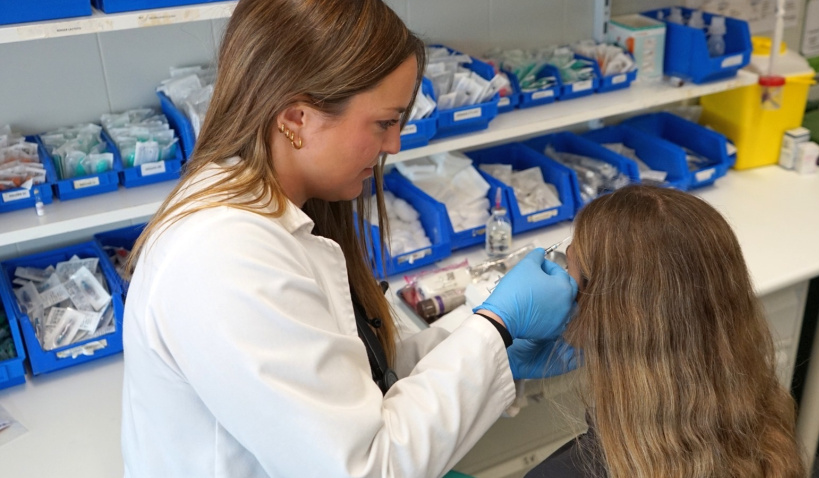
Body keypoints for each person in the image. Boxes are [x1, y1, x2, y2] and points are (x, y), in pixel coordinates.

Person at [120, 0, 578, 476]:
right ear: (296, 118)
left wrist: (500, 346)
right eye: (384, 122)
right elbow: (363, 467)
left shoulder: (281, 212)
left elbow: (365, 373)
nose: (395, 144)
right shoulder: (222, 258)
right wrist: (496, 328)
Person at [525, 185, 805, 478]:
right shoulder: (767, 437)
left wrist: (493, 327)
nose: (560, 282)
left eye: (568, 266)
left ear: (605, 312)